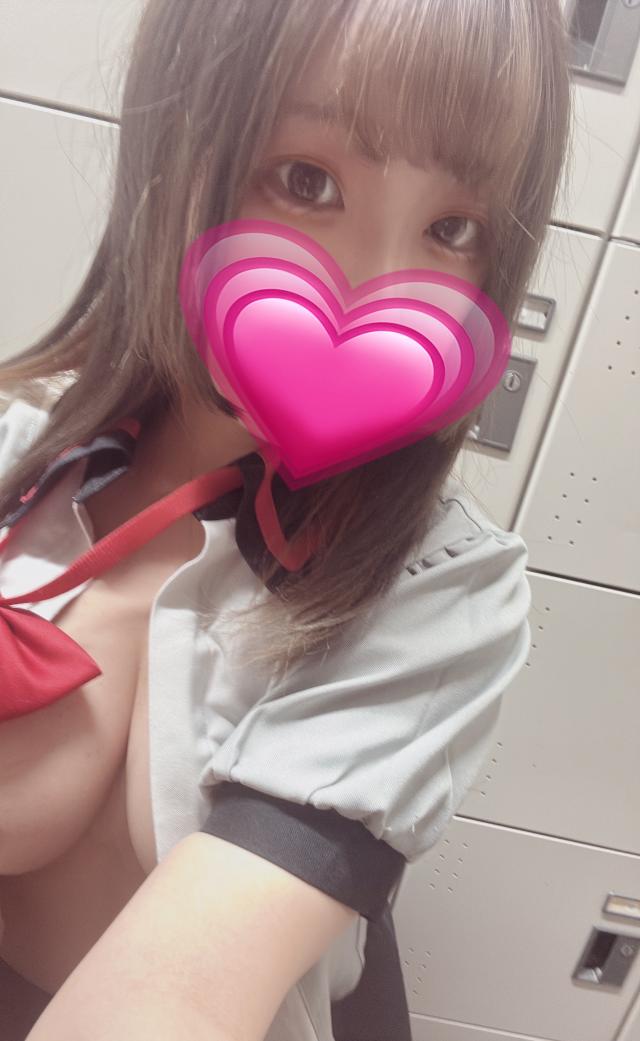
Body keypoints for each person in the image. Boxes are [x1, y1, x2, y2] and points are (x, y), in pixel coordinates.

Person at [0, 0, 573, 1038]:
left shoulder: (443, 585)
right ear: (179, 151)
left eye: (453, 231)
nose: (370, 291)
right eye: (306, 181)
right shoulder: (16, 452)